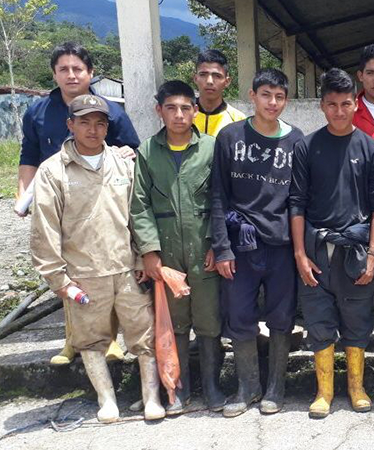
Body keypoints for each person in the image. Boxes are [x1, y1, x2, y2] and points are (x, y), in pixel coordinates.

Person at [29, 95, 164, 423]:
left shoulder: (123, 163)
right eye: (85, 122)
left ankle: (151, 397)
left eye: (100, 123)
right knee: (90, 339)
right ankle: (107, 400)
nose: (93, 129)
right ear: (70, 125)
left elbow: (138, 214)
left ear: (107, 127)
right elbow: (44, 228)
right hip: (84, 273)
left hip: (127, 268)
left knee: (144, 335)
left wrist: (143, 258)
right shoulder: (53, 171)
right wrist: (58, 279)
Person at [19, 42, 138, 365]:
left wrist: (127, 152)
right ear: (54, 74)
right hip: (58, 196)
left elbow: (132, 148)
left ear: (90, 73)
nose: (71, 75)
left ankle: (109, 339)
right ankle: (72, 341)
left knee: (103, 270)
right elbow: (29, 155)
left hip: (99, 198)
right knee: (67, 270)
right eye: (64, 69)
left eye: (78, 69)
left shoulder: (111, 111)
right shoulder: (38, 112)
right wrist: (23, 195)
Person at [289, 68, 374, 419]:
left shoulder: (371, 149)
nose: (339, 111)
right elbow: (296, 203)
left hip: (356, 249)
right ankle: (324, 391)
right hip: (316, 247)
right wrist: (300, 254)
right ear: (322, 106)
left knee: (357, 318)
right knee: (318, 318)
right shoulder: (306, 146)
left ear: (355, 103)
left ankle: (356, 387)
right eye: (332, 104)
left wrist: (373, 254)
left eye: (346, 104)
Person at [210, 68, 304, 417]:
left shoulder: (296, 140)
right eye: (266, 95)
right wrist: (221, 247)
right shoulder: (230, 137)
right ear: (252, 96)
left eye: (279, 97)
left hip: (281, 245)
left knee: (282, 316)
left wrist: (300, 249)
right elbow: (218, 195)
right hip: (241, 246)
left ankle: (276, 388)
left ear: (286, 100)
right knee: (239, 315)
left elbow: (299, 199)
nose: (272, 102)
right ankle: (247, 386)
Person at [131, 80, 225, 416]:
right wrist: (150, 252)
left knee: (209, 321)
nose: (179, 115)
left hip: (204, 249)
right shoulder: (147, 151)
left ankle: (212, 385)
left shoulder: (211, 148)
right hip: (167, 252)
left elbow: (221, 199)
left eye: (186, 108)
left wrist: (218, 244)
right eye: (171, 108)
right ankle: (178, 387)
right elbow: (139, 205)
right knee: (176, 323)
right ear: (159, 111)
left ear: (195, 111)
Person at [193, 49, 247, 136]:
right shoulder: (181, 115)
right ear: (195, 78)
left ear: (227, 81)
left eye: (217, 76)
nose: (209, 81)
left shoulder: (238, 120)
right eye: (203, 75)